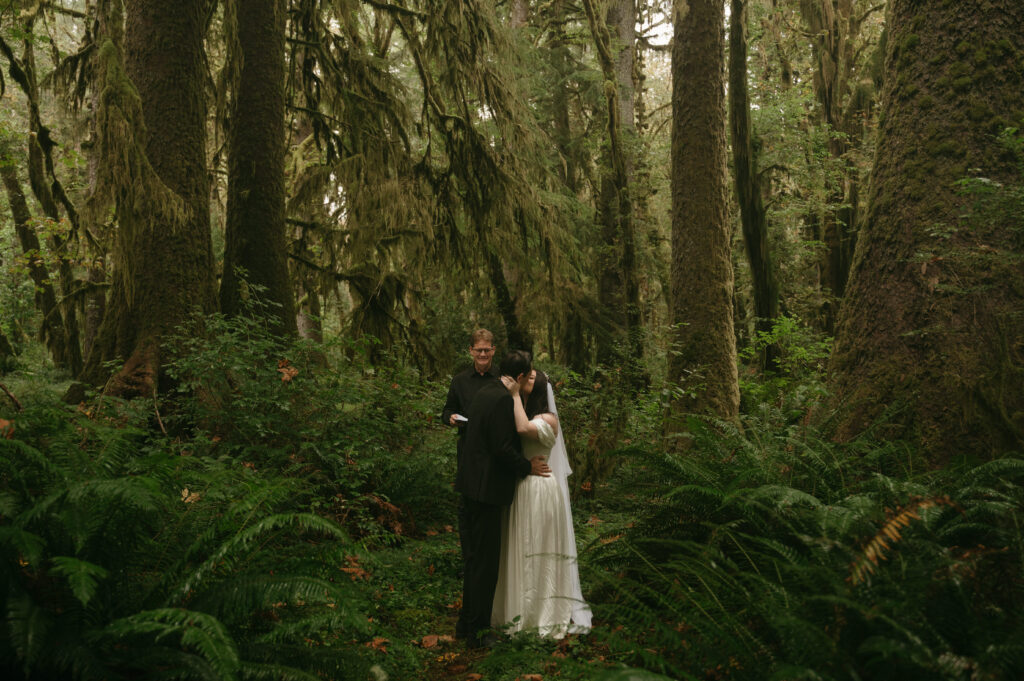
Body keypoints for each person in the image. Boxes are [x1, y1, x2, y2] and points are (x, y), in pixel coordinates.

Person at [455, 351, 551, 648]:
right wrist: (528, 467)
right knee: (484, 564)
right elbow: (501, 448)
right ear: (520, 377)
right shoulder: (501, 400)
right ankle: (478, 633)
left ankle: (465, 624)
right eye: (528, 377)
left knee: (473, 560)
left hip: (469, 487)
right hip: (485, 492)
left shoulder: (486, 391)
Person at [492, 369, 592, 639]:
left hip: (541, 488)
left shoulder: (548, 418)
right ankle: (517, 609)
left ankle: (542, 613)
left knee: (539, 545)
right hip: (523, 485)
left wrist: (512, 394)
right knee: (520, 546)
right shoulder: (521, 408)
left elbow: (523, 429)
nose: (526, 379)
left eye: (532, 378)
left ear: (540, 388)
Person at [442, 329, 500, 457]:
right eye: (479, 350)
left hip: (499, 448)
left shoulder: (503, 378)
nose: (483, 354)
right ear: (471, 350)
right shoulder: (459, 380)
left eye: (487, 350)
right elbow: (447, 411)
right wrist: (451, 418)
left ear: (493, 350)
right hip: (468, 448)